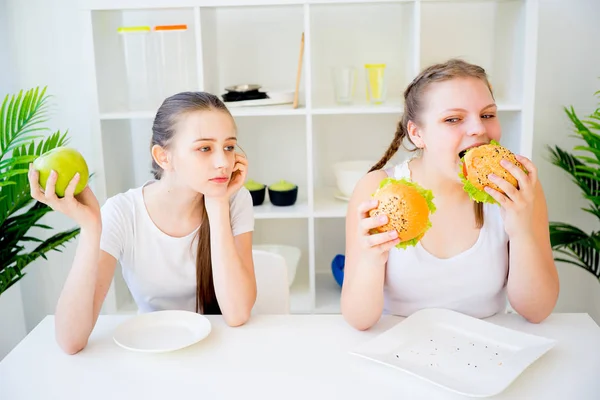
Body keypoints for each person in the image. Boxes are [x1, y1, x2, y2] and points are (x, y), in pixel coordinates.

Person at [28, 92, 257, 354]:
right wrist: (91, 228)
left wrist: (217, 204)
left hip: (223, 349)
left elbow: (237, 314)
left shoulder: (234, 199)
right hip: (151, 351)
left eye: (228, 147)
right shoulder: (123, 212)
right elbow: (70, 341)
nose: (223, 162)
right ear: (163, 157)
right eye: (205, 148)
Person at [341, 59, 559, 330]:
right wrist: (372, 260)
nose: (479, 128)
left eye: (488, 114)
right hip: (399, 347)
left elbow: (537, 310)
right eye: (453, 119)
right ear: (417, 134)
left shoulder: (519, 189)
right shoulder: (377, 189)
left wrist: (522, 231)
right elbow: (358, 320)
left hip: (489, 348)